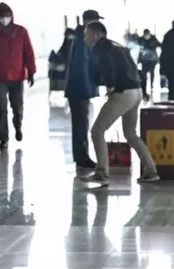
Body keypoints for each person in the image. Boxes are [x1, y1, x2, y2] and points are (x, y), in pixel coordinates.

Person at [80, 21, 159, 186]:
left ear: (96, 34)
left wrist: (110, 84)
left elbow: (107, 65)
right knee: (130, 133)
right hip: (135, 91)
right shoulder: (119, 46)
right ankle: (151, 170)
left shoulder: (100, 46)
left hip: (123, 92)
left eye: (87, 34)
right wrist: (143, 89)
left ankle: (101, 172)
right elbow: (136, 69)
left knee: (97, 130)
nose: (85, 38)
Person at [0, 2, 36, 150]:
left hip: (17, 76)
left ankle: (18, 125)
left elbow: (28, 53)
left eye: (7, 15)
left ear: (11, 16)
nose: (4, 19)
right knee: (1, 109)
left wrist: (31, 71)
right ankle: (3, 139)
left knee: (17, 107)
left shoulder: (21, 32)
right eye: (1, 16)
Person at [65, 10, 102, 170]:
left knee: (82, 123)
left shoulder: (83, 37)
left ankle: (82, 156)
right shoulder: (82, 39)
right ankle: (82, 158)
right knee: (81, 125)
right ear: (89, 22)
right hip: (79, 88)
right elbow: (81, 66)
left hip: (80, 87)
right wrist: (88, 89)